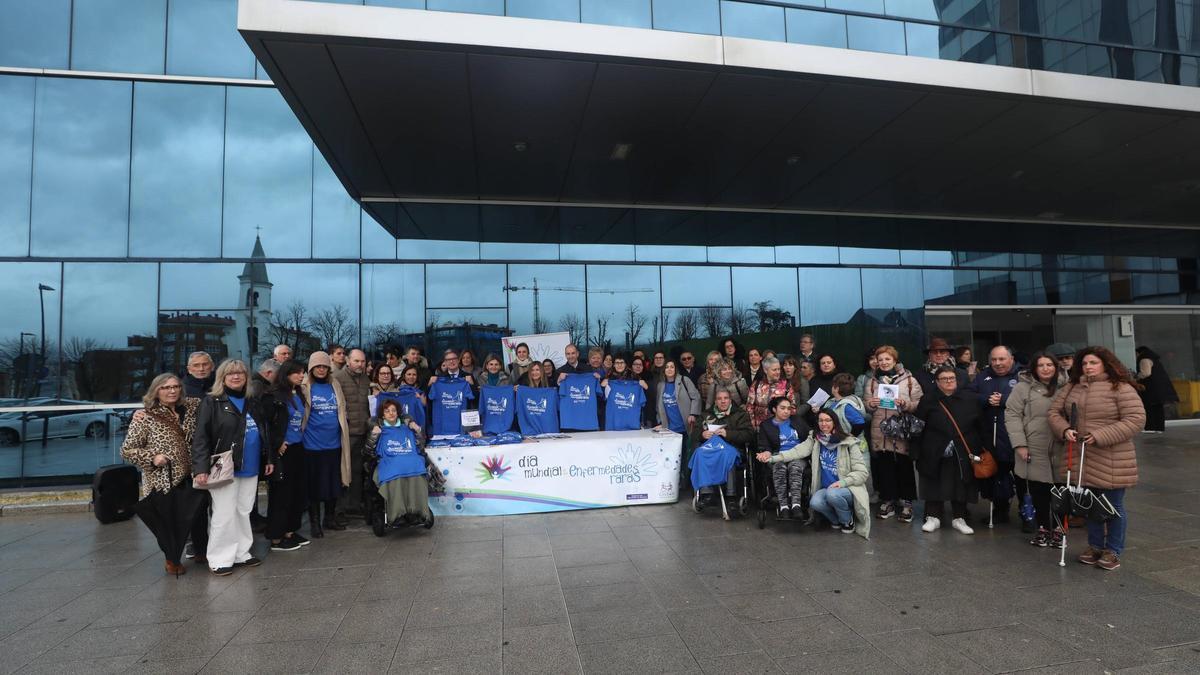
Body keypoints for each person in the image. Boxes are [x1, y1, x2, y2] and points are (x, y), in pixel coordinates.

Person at [1048, 347, 1146, 571]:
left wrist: (1101, 435)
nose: (1088, 367)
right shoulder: (1072, 386)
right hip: (1081, 457)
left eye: (1093, 363)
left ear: (1106, 364)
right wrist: (1064, 430)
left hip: (1111, 457)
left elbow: (1136, 419)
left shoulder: (1120, 387)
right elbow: (1054, 413)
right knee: (1088, 504)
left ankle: (1113, 550)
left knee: (1113, 506)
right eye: (1084, 363)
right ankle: (1094, 546)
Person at [191, 360, 274, 576]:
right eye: (231, 374)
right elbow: (200, 437)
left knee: (244, 510)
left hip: (251, 465)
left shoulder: (252, 401)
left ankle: (241, 553)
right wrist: (200, 468)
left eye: (240, 373)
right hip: (223, 465)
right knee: (224, 512)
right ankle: (219, 558)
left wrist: (270, 459)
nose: (236, 377)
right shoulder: (212, 402)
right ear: (222, 377)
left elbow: (264, 431)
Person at [121, 373, 204, 575]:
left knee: (198, 515)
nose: (172, 390)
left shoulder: (193, 407)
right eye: (165, 387)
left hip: (193, 473)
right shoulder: (146, 416)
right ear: (156, 391)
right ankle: (172, 559)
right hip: (163, 478)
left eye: (175, 386)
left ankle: (201, 550)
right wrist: (153, 457)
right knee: (168, 520)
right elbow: (127, 450)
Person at [759, 409, 869, 537]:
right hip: (827, 488)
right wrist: (772, 458)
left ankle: (847, 520)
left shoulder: (848, 442)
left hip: (847, 488)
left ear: (835, 422)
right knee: (814, 502)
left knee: (832, 494)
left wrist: (843, 482)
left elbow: (862, 473)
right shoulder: (816, 439)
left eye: (828, 420)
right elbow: (796, 451)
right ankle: (836, 521)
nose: (824, 424)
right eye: (821, 420)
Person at [1005, 351, 1067, 547]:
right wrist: (1020, 444)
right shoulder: (1022, 388)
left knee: (1060, 489)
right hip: (1033, 445)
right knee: (1039, 489)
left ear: (1056, 367)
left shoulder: (1067, 387)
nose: (1046, 369)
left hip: (1061, 445)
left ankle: (1059, 529)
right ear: (1034, 368)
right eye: (1041, 365)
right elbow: (1012, 415)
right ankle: (1042, 528)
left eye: (1049, 365)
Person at [914, 365, 980, 535]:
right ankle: (933, 517)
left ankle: (959, 518)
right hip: (934, 448)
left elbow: (979, 424)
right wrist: (916, 450)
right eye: (944, 379)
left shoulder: (969, 399)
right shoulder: (928, 399)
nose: (949, 381)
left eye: (952, 378)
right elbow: (918, 426)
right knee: (933, 481)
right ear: (937, 382)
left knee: (960, 483)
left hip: (962, 449)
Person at [865, 345, 923, 523]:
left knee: (904, 466)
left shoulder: (909, 380)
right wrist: (872, 404)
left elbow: (918, 403)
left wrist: (904, 403)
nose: (883, 362)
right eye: (880, 359)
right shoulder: (873, 381)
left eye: (887, 359)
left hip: (901, 430)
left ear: (895, 361)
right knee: (885, 467)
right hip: (880, 430)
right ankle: (888, 500)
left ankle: (906, 502)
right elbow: (866, 404)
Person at [259, 359, 309, 552]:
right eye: (296, 372)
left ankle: (290, 530)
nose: (301, 375)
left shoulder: (297, 394)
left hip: (298, 446)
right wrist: (277, 443)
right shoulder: (272, 396)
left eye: (302, 372)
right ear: (286, 374)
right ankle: (276, 537)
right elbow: (266, 424)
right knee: (282, 495)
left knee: (297, 492)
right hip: (283, 450)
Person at [968, 345, 1021, 525]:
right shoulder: (983, 376)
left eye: (1002, 359)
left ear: (1011, 359)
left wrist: (1005, 400)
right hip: (990, 435)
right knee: (997, 476)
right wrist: (986, 399)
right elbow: (970, 395)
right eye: (994, 360)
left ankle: (1027, 514)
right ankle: (1000, 511)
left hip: (1017, 436)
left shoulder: (1022, 376)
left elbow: (1029, 401)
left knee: (1022, 479)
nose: (997, 363)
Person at [302, 351, 350, 538]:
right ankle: (315, 522)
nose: (321, 370)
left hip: (334, 444)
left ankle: (329, 519)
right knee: (315, 486)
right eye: (317, 367)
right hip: (312, 445)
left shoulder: (334, 384)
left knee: (334, 484)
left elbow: (342, 407)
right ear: (311, 368)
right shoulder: (305, 386)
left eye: (324, 366)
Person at [364, 399, 431, 526]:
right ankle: (397, 514)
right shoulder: (378, 429)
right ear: (382, 414)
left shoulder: (407, 427)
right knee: (395, 473)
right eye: (387, 411)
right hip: (389, 463)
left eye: (393, 410)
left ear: (398, 413)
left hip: (409, 463)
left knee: (418, 469)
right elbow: (368, 452)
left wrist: (417, 432)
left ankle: (415, 512)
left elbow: (419, 448)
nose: (391, 413)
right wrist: (374, 436)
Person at [691, 389, 754, 507]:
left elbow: (749, 435)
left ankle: (731, 496)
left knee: (727, 455)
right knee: (700, 453)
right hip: (712, 448)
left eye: (725, 398)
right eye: (719, 399)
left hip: (732, 448)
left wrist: (728, 434)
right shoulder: (706, 415)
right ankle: (707, 494)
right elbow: (694, 433)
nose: (723, 401)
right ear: (715, 401)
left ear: (730, 400)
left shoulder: (740, 414)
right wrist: (702, 434)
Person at [753, 397, 811, 518]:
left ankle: (796, 505)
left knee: (795, 467)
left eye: (788, 408)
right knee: (779, 467)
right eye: (782, 408)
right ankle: (783, 505)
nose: (786, 411)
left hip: (797, 454)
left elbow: (809, 438)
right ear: (774, 409)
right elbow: (765, 445)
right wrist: (766, 453)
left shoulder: (797, 420)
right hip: (777, 455)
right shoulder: (766, 425)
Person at [333, 348, 371, 521]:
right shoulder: (338, 378)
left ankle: (354, 506)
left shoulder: (365, 378)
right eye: (356, 361)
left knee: (358, 471)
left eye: (362, 361)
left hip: (363, 432)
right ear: (348, 361)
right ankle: (340, 509)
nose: (360, 364)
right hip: (347, 434)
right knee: (344, 471)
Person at [1135, 346, 1177, 433]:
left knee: (1149, 407)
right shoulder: (1154, 359)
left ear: (1140, 353)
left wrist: (1136, 377)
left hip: (1151, 389)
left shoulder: (1144, 359)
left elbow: (1146, 373)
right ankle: (1159, 428)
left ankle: (1150, 427)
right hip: (1159, 388)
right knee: (1158, 408)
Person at [655, 360, 701, 439]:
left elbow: (696, 397)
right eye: (667, 367)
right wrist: (660, 422)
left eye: (672, 367)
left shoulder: (684, 380)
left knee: (685, 450)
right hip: (669, 429)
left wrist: (693, 414)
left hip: (685, 426)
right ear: (664, 370)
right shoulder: (660, 385)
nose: (669, 369)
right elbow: (658, 406)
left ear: (676, 369)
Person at [747, 356, 794, 431]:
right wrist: (753, 425)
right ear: (765, 370)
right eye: (774, 370)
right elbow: (750, 407)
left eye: (779, 369)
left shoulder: (786, 385)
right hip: (760, 428)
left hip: (781, 428)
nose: (778, 372)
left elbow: (792, 407)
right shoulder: (756, 384)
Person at [825, 373, 868, 441]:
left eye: (833, 385)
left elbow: (860, 423)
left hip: (851, 446)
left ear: (836, 389)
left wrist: (849, 437)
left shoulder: (847, 406)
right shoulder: (832, 402)